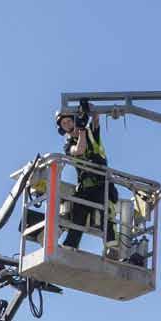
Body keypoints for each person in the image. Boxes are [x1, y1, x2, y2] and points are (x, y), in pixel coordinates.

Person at [55, 99, 118, 254]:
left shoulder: (91, 133)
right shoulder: (68, 145)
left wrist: (90, 108)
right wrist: (81, 129)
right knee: (77, 214)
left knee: (107, 215)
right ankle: (70, 247)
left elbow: (96, 118)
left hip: (102, 184)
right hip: (85, 187)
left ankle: (112, 249)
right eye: (64, 124)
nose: (68, 125)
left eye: (70, 120)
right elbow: (80, 150)